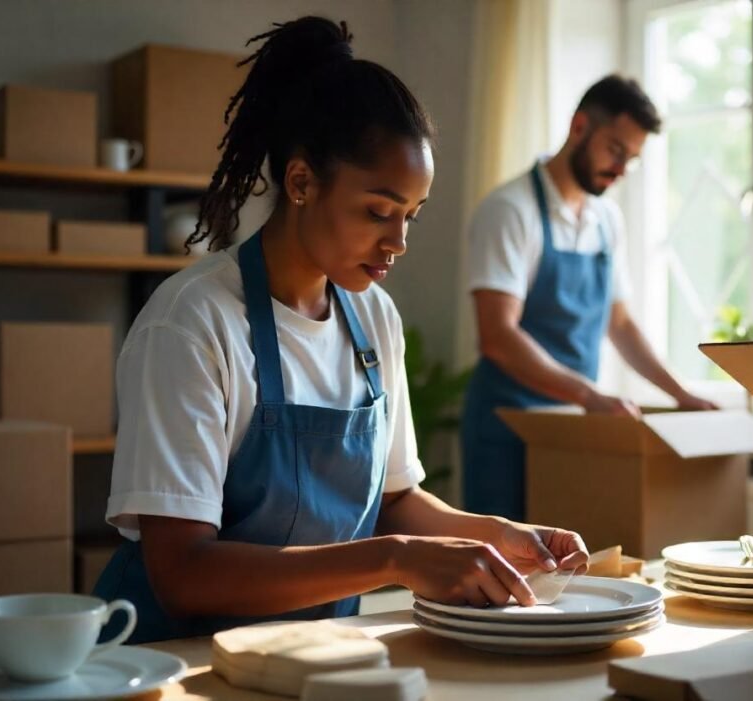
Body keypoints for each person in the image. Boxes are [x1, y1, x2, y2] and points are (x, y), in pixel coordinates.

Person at [92, 16, 588, 644]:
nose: (399, 241)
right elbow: (183, 574)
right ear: (300, 182)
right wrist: (394, 558)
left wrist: (500, 536)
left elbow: (397, 499)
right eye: (379, 211)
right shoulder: (192, 323)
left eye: (411, 214)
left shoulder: (374, 318)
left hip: (310, 652)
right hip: (172, 658)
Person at [461, 75, 717, 522]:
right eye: (615, 151)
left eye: (631, 159)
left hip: (572, 434)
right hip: (505, 431)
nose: (620, 170)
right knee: (503, 577)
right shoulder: (510, 210)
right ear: (579, 126)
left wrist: (681, 394)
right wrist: (591, 396)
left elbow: (619, 324)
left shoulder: (605, 219)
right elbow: (497, 335)